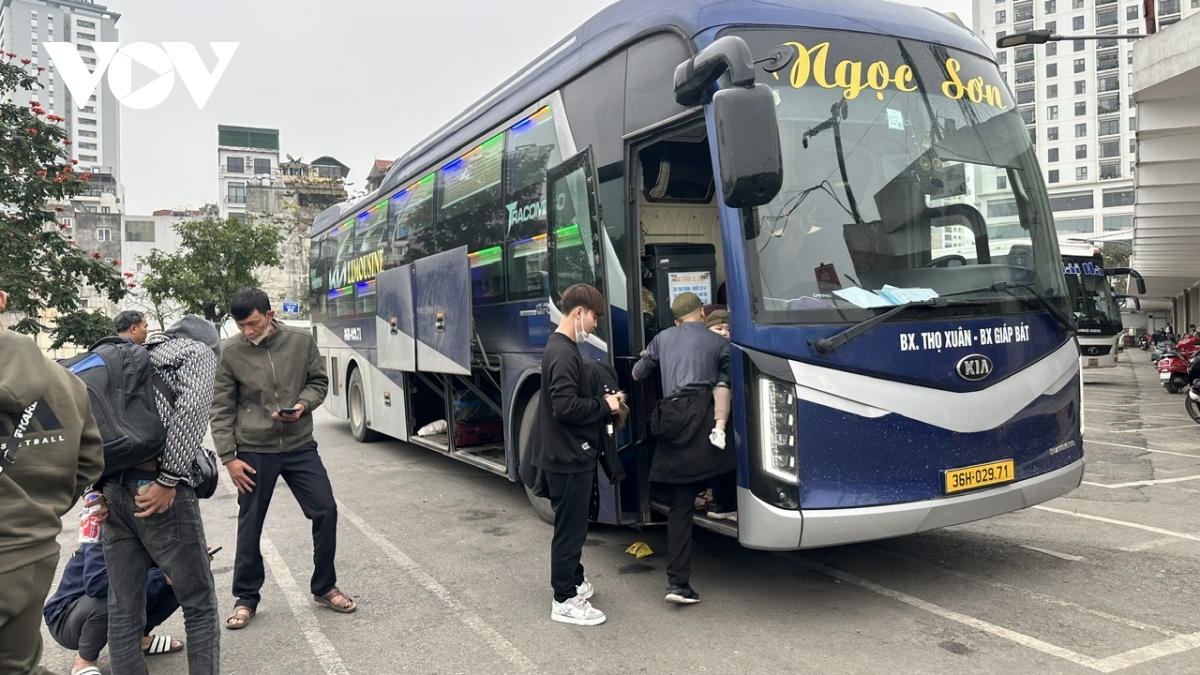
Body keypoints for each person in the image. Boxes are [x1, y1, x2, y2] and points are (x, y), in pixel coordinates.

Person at [211, 288, 348, 630]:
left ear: (270, 315)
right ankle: (246, 598)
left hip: (300, 445)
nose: (248, 331)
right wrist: (228, 458)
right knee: (250, 524)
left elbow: (318, 382)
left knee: (326, 510)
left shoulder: (301, 342)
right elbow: (221, 408)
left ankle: (324, 586)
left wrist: (302, 405)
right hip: (254, 450)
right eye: (241, 326)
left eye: (254, 324)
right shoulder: (230, 353)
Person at [99, 314, 222, 675]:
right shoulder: (197, 353)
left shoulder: (131, 357)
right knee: (199, 603)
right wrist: (169, 480)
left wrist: (95, 489)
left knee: (124, 610)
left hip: (112, 489)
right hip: (157, 489)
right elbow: (192, 409)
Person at [0, 288, 105, 675]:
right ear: (2, 300)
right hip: (31, 553)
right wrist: (40, 509)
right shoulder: (68, 383)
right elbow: (89, 463)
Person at [524, 283, 621, 626]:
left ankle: (575, 580)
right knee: (570, 531)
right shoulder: (564, 352)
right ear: (579, 312)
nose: (595, 325)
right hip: (567, 458)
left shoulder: (559, 346)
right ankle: (564, 599)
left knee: (573, 526)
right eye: (595, 317)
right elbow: (565, 407)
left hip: (565, 454)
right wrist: (605, 405)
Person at [632, 291, 736, 604]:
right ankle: (723, 505)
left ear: (677, 320)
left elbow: (637, 373)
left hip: (669, 417)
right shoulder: (716, 341)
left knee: (681, 505)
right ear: (702, 313)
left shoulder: (662, 338)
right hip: (700, 418)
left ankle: (678, 584)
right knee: (730, 459)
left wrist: (651, 355)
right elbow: (733, 374)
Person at [44, 543, 183, 675]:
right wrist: (160, 577)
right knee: (114, 597)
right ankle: (84, 661)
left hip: (103, 603)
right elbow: (97, 584)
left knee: (181, 578)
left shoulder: (155, 530)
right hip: (67, 618)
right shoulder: (103, 532)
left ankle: (141, 638)